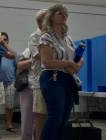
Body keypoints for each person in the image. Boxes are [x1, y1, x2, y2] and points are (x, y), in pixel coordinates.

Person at [38, 4, 84, 140]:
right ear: (51, 16)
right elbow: (47, 62)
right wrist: (69, 63)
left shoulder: (67, 38)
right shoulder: (45, 37)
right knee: (55, 117)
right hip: (53, 78)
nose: (64, 15)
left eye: (66, 14)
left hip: (68, 78)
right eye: (60, 13)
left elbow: (78, 58)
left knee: (64, 119)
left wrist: (77, 64)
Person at [28, 9, 48, 140]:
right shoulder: (34, 36)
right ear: (40, 21)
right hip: (39, 81)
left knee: (50, 116)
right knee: (40, 116)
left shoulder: (52, 35)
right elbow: (40, 57)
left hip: (53, 80)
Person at [1, 32, 17, 132]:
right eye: (1, 39)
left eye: (5, 39)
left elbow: (17, 66)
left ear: (7, 41)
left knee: (10, 105)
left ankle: (9, 124)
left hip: (10, 81)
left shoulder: (11, 53)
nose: (3, 41)